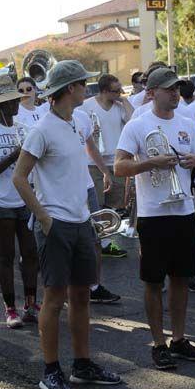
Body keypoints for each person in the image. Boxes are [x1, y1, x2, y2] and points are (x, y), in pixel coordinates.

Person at [13, 60, 122, 389]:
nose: (86, 88)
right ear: (69, 89)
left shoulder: (77, 121)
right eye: (82, 84)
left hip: (81, 222)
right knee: (54, 299)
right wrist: (45, 219)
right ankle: (50, 371)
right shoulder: (41, 129)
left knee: (81, 296)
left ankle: (82, 365)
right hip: (56, 225)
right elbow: (19, 177)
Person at [114, 67, 195, 369]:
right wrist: (149, 163)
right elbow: (119, 166)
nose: (175, 93)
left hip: (182, 211)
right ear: (152, 92)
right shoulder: (138, 124)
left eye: (178, 88)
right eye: (169, 88)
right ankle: (158, 342)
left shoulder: (188, 124)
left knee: (181, 279)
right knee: (153, 281)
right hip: (153, 215)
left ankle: (179, 339)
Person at [0, 75, 40, 328]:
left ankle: (31, 303)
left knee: (31, 253)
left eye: (16, 100)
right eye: (11, 101)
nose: (17, 104)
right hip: (1, 202)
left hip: (26, 200)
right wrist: (16, 153)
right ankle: (10, 308)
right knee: (6, 256)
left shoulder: (25, 128)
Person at [77, 73, 132, 258]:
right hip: (93, 163)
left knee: (113, 205)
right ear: (104, 91)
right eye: (115, 91)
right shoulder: (86, 106)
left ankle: (106, 242)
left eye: (120, 90)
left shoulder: (119, 105)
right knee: (97, 205)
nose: (119, 93)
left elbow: (133, 122)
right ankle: (97, 242)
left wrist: (124, 101)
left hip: (115, 161)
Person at [75, 108, 121, 303]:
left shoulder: (82, 116)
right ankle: (71, 288)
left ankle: (94, 286)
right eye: (81, 84)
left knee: (96, 236)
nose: (85, 89)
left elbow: (91, 147)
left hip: (87, 186)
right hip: (64, 192)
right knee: (71, 241)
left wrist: (105, 172)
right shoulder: (45, 119)